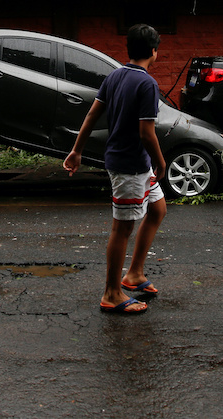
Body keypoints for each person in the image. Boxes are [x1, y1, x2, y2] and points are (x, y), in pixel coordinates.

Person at [63, 24, 168, 315]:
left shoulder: (114, 76)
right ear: (153, 52)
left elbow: (91, 114)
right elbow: (146, 132)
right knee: (122, 228)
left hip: (134, 163)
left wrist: (77, 149)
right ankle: (111, 292)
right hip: (130, 166)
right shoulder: (147, 84)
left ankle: (134, 273)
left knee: (158, 210)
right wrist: (160, 161)